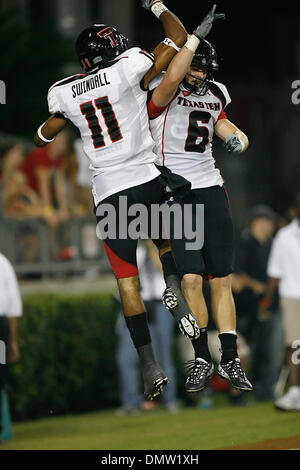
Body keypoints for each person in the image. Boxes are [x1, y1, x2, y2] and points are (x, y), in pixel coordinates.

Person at [32, 0, 224, 400]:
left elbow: (42, 135)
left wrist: (61, 121)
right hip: (146, 179)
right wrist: (156, 5)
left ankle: (150, 367)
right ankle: (172, 282)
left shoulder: (63, 92)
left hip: (108, 193)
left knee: (128, 283)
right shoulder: (129, 65)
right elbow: (177, 38)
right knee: (169, 236)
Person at [147, 29, 253, 393]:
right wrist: (188, 39)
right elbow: (173, 76)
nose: (200, 77)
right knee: (191, 279)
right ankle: (201, 357)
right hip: (175, 191)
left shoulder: (216, 91)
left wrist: (237, 137)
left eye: (206, 71)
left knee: (221, 280)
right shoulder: (164, 86)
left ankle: (230, 358)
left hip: (211, 187)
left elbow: (221, 123)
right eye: (196, 69)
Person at [116, 241, 178, 414]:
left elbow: (166, 271)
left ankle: (170, 399)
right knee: (126, 357)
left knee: (163, 355)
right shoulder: (129, 246)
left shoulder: (164, 245)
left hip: (160, 303)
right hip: (136, 304)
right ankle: (131, 402)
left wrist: (152, 248)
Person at [232, 205, 283, 401]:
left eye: (270, 222)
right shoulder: (244, 244)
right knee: (248, 352)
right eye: (264, 221)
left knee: (272, 352)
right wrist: (256, 285)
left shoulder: (273, 245)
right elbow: (235, 278)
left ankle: (265, 393)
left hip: (272, 305)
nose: (268, 225)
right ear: (255, 223)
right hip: (247, 308)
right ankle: (241, 393)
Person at [265, 192, 300, 411]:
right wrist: (267, 300)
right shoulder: (284, 236)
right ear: (295, 210)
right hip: (292, 295)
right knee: (295, 345)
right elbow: (274, 273)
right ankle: (295, 392)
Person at [0, 252, 23, 442]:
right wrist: (13, 340)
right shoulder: (3, 262)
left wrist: (12, 340)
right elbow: (13, 305)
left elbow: (13, 305)